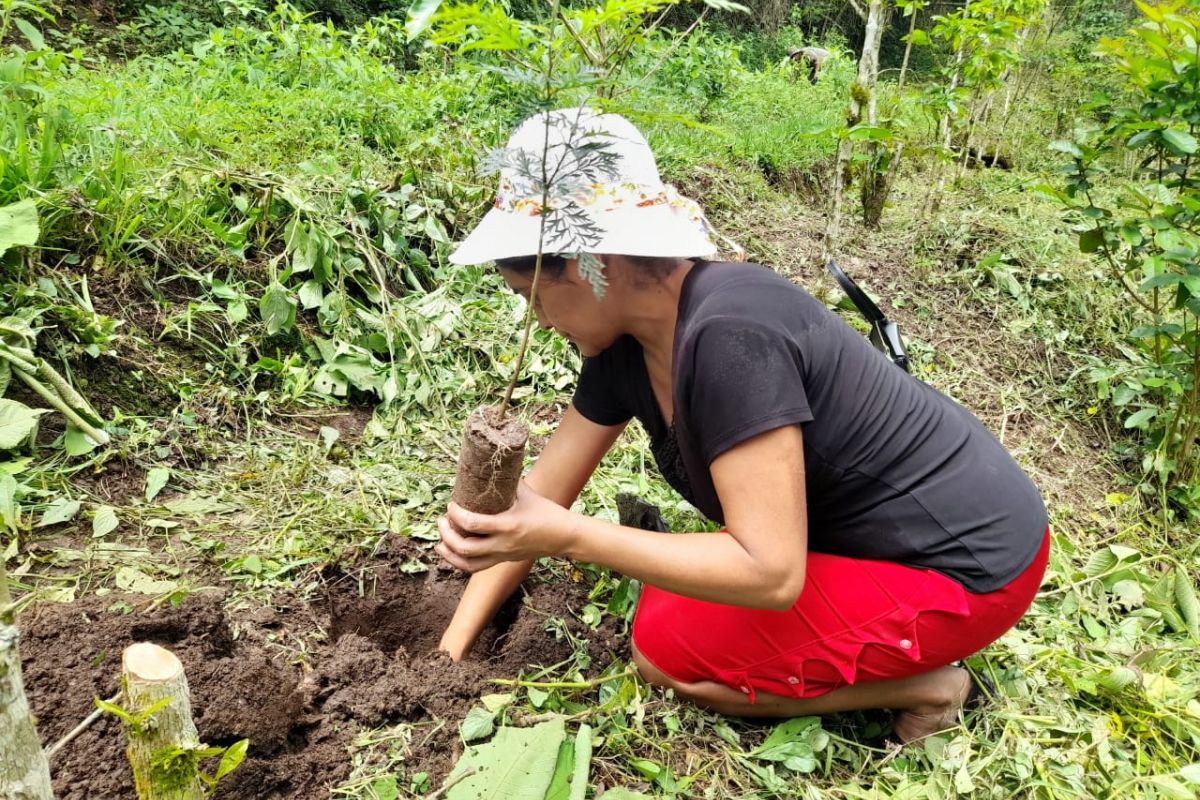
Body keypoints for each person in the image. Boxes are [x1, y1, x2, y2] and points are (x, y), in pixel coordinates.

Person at [436, 108, 1049, 742]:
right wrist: (450, 652)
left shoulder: (732, 335)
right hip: (875, 539)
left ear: (597, 265)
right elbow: (539, 499)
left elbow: (771, 574)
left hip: (968, 568)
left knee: (664, 650)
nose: (537, 320)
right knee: (675, 602)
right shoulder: (621, 346)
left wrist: (564, 537)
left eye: (534, 296)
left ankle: (929, 685)